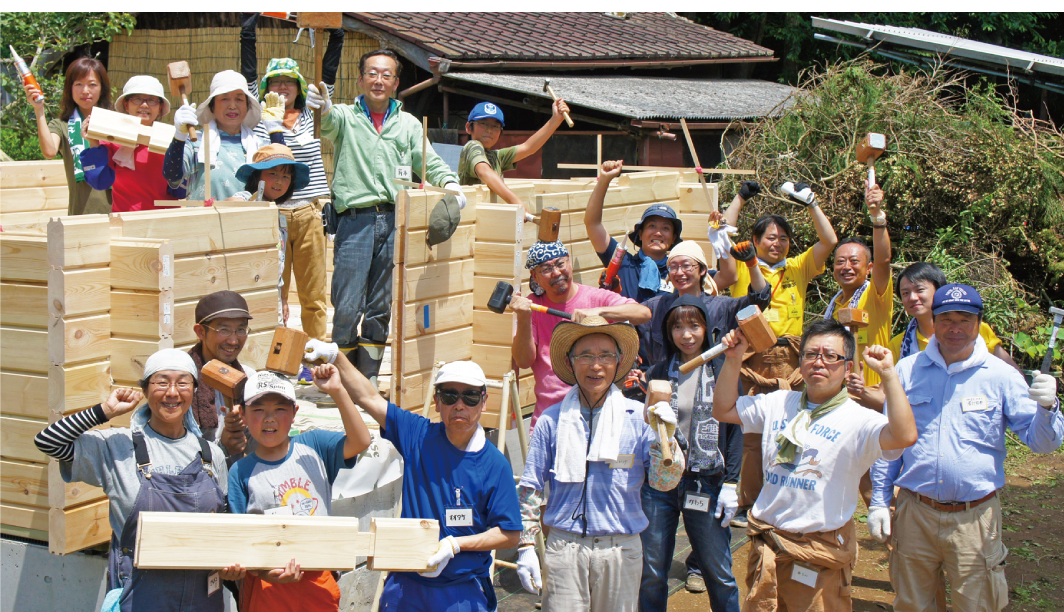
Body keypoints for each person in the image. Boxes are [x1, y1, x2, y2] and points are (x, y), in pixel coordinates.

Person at [866, 284, 1062, 612]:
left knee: (978, 605)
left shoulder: (1001, 376)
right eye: (946, 319)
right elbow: (890, 445)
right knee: (913, 604)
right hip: (915, 513)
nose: (955, 327)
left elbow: (1042, 444)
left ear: (979, 322)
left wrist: (1048, 408)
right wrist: (877, 502)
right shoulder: (906, 371)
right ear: (933, 320)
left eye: (965, 319)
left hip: (976, 518)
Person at [301, 337, 521, 612]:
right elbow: (368, 397)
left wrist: (456, 545)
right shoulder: (418, 435)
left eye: (470, 396)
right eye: (450, 395)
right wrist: (335, 355)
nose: (460, 405)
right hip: (406, 588)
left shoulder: (494, 465)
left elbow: (510, 535)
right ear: (438, 402)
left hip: (460, 593)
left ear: (483, 402)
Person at [711, 319, 917, 611]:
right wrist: (733, 360)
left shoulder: (858, 419)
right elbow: (724, 409)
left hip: (818, 549)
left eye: (831, 356)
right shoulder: (779, 402)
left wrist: (888, 375)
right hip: (769, 544)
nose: (819, 361)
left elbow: (904, 436)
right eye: (810, 354)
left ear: (847, 368)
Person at [33, 349, 244, 612]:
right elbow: (48, 441)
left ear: (194, 390)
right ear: (145, 390)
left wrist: (230, 566)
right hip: (140, 597)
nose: (172, 392)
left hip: (202, 597)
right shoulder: (118, 447)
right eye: (161, 382)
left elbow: (221, 528)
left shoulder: (211, 454)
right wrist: (104, 411)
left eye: (182, 382)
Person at [305, 49, 464, 387]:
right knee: (347, 301)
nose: (379, 80)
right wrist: (321, 106)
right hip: (354, 221)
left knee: (380, 303)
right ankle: (343, 374)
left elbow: (428, 161)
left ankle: (369, 376)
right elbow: (327, 123)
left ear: (395, 82)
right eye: (372, 73)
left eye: (386, 74)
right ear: (361, 79)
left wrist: (450, 183)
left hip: (395, 220)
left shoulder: (407, 124)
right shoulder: (346, 117)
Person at [515, 315, 684, 611]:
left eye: (606, 356)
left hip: (620, 549)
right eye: (586, 356)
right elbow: (530, 488)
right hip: (564, 548)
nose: (596, 365)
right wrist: (526, 546)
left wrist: (666, 439)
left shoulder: (639, 418)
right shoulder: (551, 421)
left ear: (619, 363)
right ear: (570, 362)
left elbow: (663, 482)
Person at [715, 180, 838, 528]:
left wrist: (811, 203)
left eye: (783, 238)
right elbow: (723, 235)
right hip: (751, 356)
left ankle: (792, 498)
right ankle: (749, 502)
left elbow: (829, 241)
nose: (777, 243)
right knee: (752, 433)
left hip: (792, 356)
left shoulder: (797, 266)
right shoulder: (742, 265)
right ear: (754, 242)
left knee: (796, 429)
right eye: (770, 237)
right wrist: (739, 197)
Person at [227, 367, 371, 611]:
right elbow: (240, 541)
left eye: (280, 409)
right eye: (259, 410)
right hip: (265, 588)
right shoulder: (239, 471)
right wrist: (264, 573)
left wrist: (337, 391)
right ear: (242, 414)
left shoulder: (314, 447)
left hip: (317, 584)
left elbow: (361, 440)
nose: (269, 418)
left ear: (295, 413)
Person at [241, 13, 342, 348]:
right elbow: (248, 76)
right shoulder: (258, 114)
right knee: (272, 290)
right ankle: (274, 352)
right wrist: (247, 31)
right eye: (275, 81)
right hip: (273, 213)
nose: (281, 87)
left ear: (298, 88)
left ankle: (315, 355)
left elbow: (325, 79)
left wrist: (336, 37)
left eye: (289, 81)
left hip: (309, 212)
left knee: (313, 293)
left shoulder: (312, 114)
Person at [640, 296, 742, 611]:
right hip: (661, 482)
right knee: (653, 570)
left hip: (706, 481)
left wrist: (730, 482)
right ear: (668, 332)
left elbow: (735, 428)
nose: (686, 335)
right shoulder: (658, 371)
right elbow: (647, 423)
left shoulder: (721, 365)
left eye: (694, 326)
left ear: (706, 328)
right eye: (678, 327)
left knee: (718, 570)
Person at [510, 239, 651, 428]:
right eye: (546, 269)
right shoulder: (532, 306)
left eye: (561, 263)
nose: (557, 272)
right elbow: (523, 361)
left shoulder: (595, 297)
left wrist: (600, 311)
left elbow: (643, 313)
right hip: (551, 418)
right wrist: (524, 318)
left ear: (569, 262)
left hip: (599, 414)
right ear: (534, 276)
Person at [638, 240, 769, 366]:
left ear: (702, 270)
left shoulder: (722, 307)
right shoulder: (655, 307)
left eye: (686, 265)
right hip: (665, 386)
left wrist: (752, 263)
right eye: (673, 267)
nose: (679, 272)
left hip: (713, 385)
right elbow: (626, 330)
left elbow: (759, 300)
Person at [164, 70, 285, 202]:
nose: (232, 106)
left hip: (250, 221)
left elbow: (283, 178)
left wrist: (275, 132)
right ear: (212, 106)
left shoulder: (260, 146)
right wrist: (179, 137)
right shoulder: (196, 142)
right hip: (203, 220)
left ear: (247, 105)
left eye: (239, 99)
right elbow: (172, 176)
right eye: (224, 98)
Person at [78, 75, 185, 212]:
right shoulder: (112, 140)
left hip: (164, 222)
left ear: (160, 107)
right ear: (126, 104)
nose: (144, 105)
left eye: (152, 100)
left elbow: (180, 191)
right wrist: (93, 142)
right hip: (124, 223)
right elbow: (100, 182)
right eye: (137, 99)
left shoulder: (171, 142)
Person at [887, 262, 1020, 370]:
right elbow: (888, 393)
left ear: (939, 290)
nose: (912, 298)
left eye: (920, 290)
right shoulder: (899, 344)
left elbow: (1012, 374)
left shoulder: (975, 330)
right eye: (905, 293)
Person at [22, 56, 112, 215]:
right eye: (78, 84)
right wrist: (39, 110)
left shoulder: (115, 123)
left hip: (118, 213)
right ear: (69, 89)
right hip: (80, 214)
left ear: (102, 88)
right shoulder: (61, 125)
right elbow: (49, 151)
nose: (85, 91)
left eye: (92, 85)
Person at [826, 183, 893, 388]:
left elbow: (884, 260)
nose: (847, 267)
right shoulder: (834, 304)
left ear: (869, 268)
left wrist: (877, 216)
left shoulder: (875, 294)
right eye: (840, 261)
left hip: (872, 394)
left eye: (854, 262)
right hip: (839, 393)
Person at [585, 161, 683, 302]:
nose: (658, 233)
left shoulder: (680, 272)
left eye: (666, 228)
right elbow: (592, 224)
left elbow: (725, 277)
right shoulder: (622, 262)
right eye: (652, 226)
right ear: (640, 234)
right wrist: (605, 180)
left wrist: (720, 231)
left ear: (673, 238)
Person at [457, 98, 569, 218]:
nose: (489, 130)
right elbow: (484, 171)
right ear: (469, 127)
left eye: (495, 126)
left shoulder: (496, 157)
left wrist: (555, 120)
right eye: (484, 123)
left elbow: (528, 148)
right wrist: (516, 201)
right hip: (470, 224)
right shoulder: (471, 146)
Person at [186, 291, 258, 459]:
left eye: (241, 330)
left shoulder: (248, 378)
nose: (233, 341)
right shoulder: (184, 382)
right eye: (224, 330)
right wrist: (223, 448)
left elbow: (260, 446)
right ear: (200, 332)